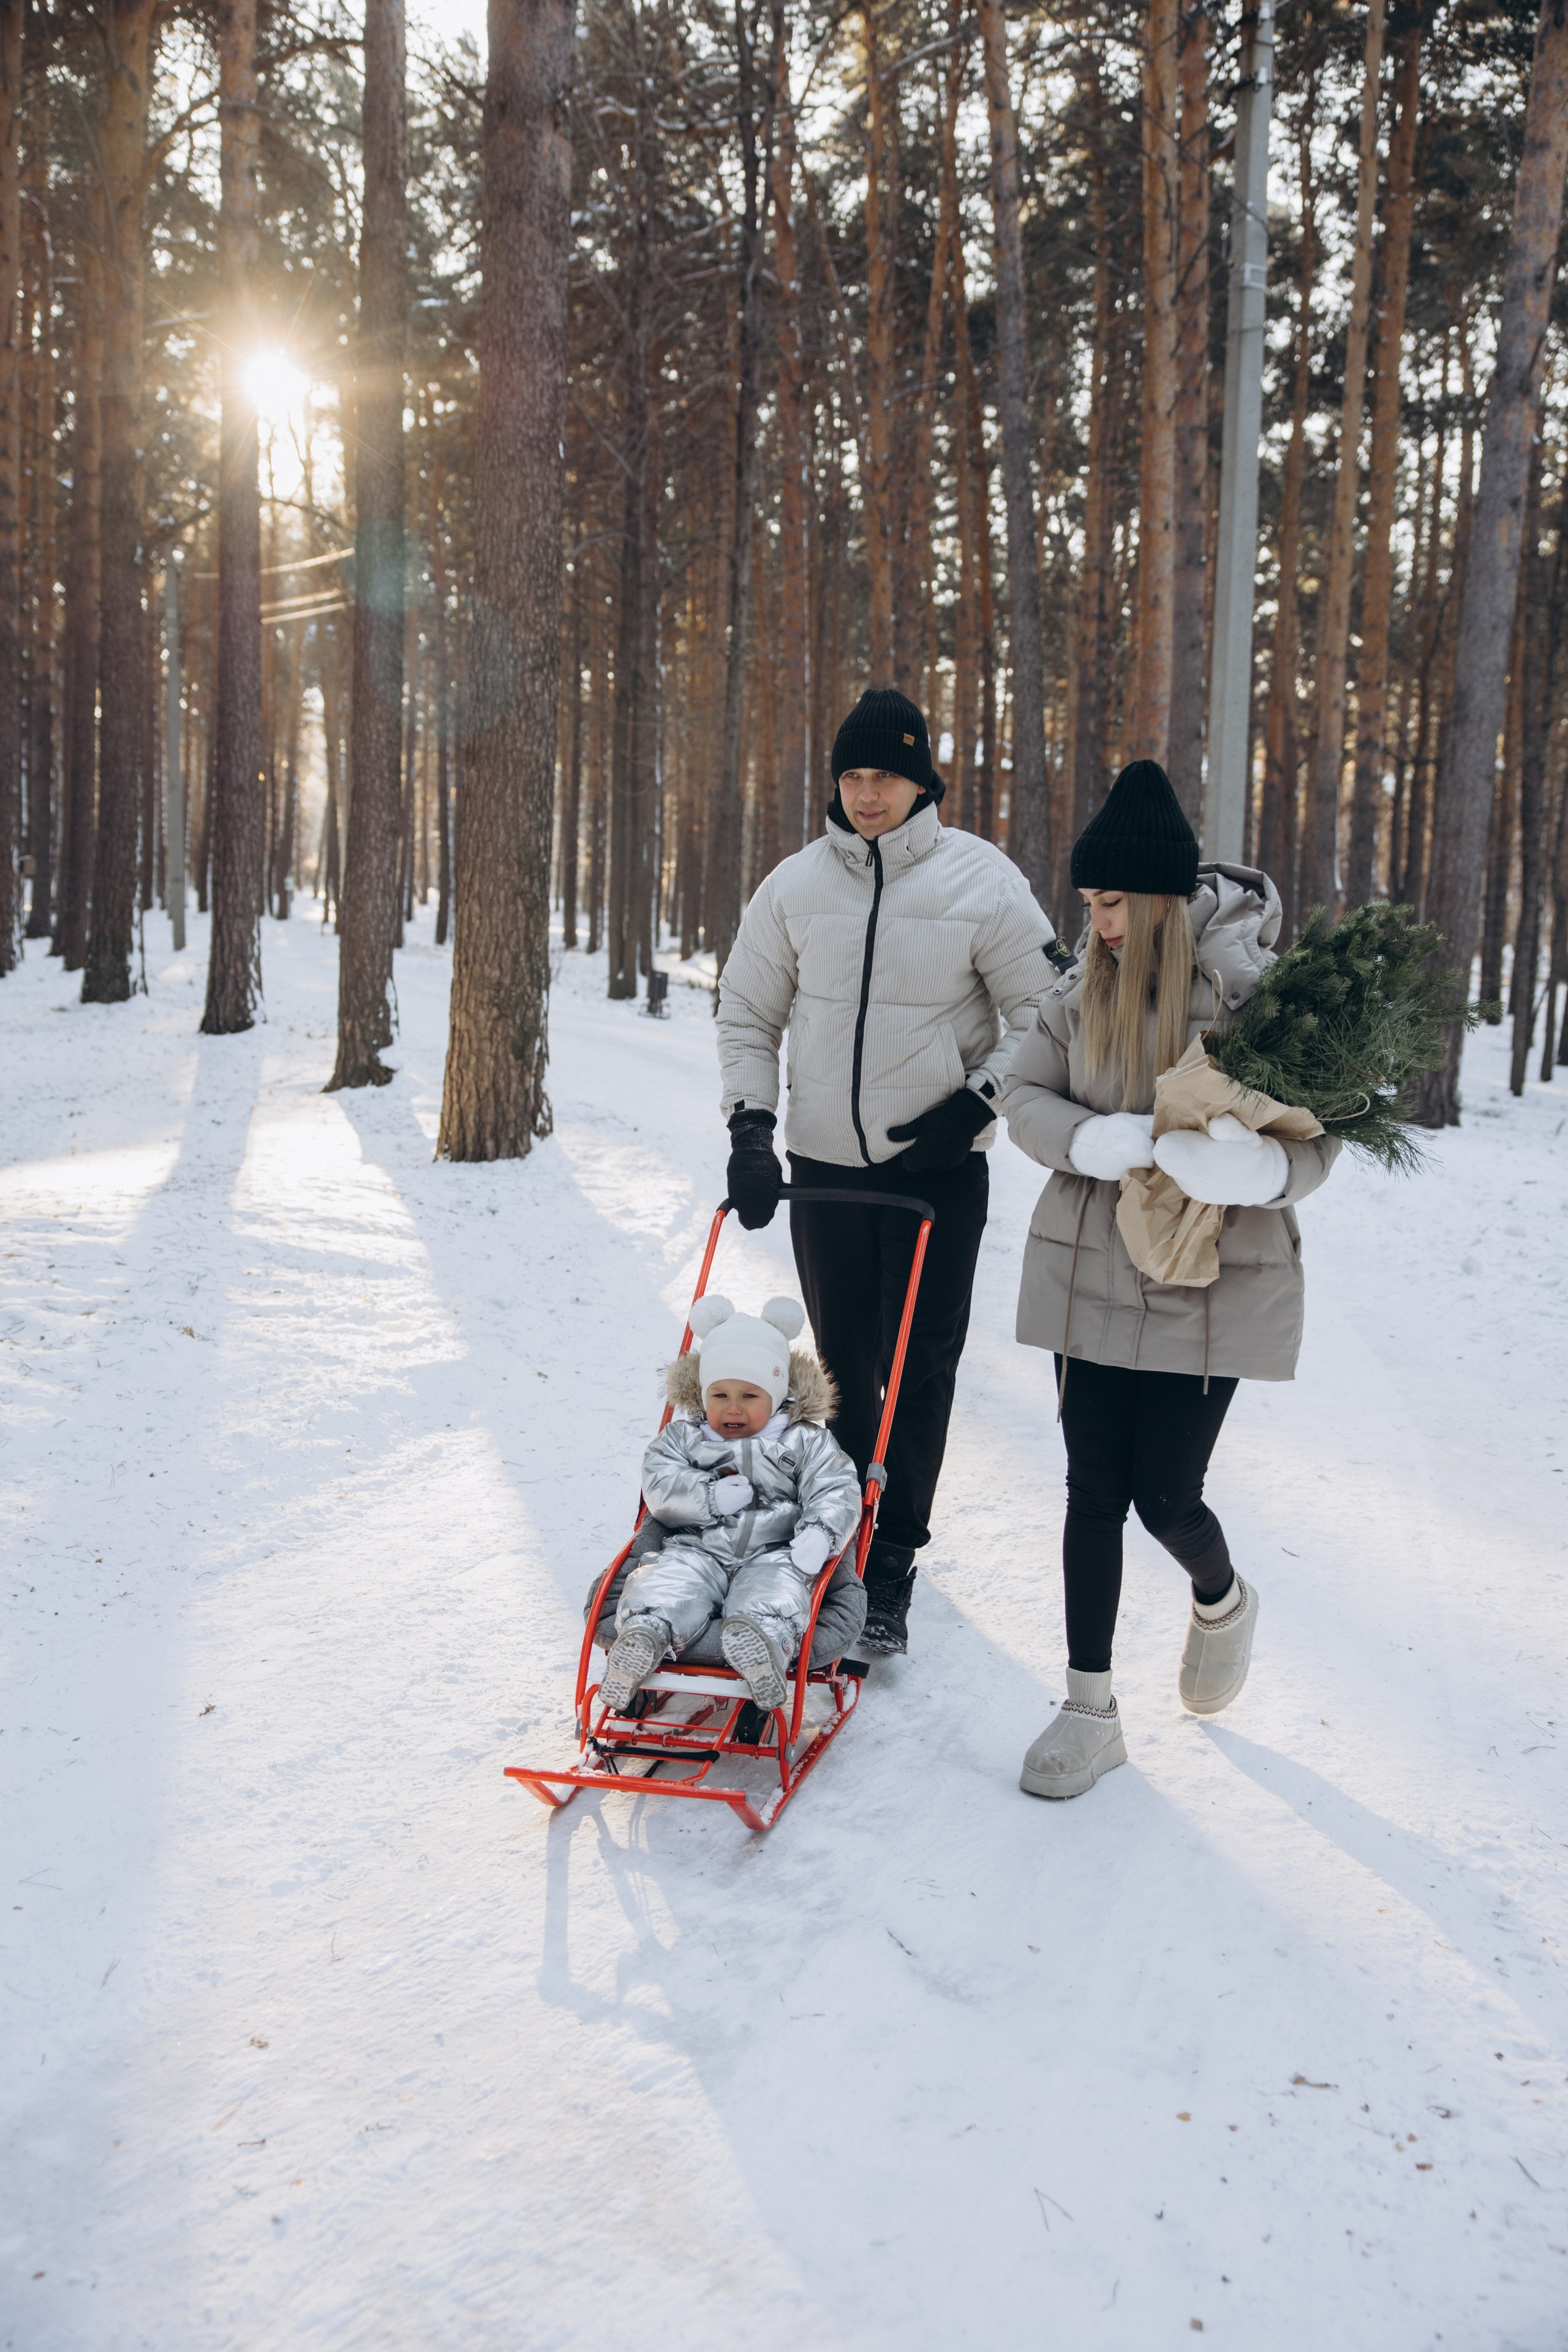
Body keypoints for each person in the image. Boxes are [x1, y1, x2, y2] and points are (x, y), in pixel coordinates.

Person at [998, 758, 1341, 1800]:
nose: (1098, 923)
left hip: (1211, 1276)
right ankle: (1088, 1707)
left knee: (1165, 1497)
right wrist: (1089, 1138)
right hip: (1092, 1269)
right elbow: (1019, 1093)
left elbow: (1326, 1135)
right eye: (1089, 903)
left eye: (1113, 904)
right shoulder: (1078, 991)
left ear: (1158, 897)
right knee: (1091, 1492)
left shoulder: (1252, 992)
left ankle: (1221, 1598)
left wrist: (1259, 1168)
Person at [716, 687, 1060, 1656]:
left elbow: (1047, 1012)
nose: (868, 795)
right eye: (854, 776)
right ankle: (845, 1541)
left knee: (920, 1371)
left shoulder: (982, 882)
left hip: (935, 1177)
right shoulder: (793, 886)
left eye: (887, 777)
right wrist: (752, 1128)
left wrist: (975, 1104)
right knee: (846, 1370)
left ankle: (895, 1550)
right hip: (824, 1172)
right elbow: (747, 1010)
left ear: (922, 781)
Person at [599, 1294, 862, 1717]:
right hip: (697, 1547)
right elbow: (660, 1481)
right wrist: (707, 1496)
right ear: (704, 1395)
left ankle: (762, 1647)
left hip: (775, 1552)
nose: (733, 1408)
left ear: (777, 1395)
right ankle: (644, 1637)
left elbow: (836, 1488)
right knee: (667, 1583)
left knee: (775, 1594)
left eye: (749, 1396)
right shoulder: (685, 1439)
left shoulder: (804, 1441)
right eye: (719, 1394)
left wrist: (821, 1532)